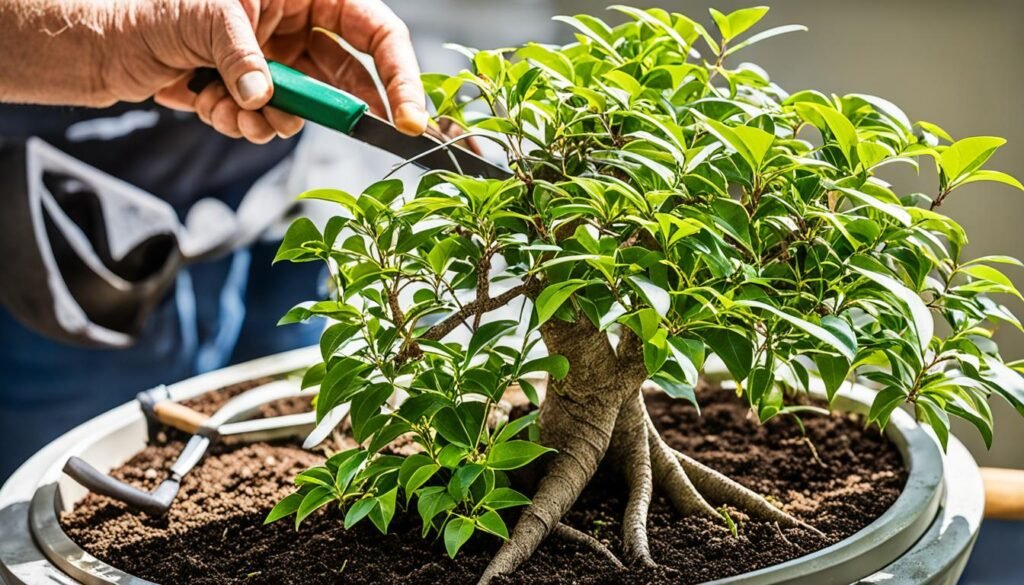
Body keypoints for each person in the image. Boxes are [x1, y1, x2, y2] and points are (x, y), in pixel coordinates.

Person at [0, 0, 428, 480]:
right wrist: (107, 38)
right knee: (63, 485)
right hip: (71, 235)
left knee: (318, 448)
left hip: (268, 200)